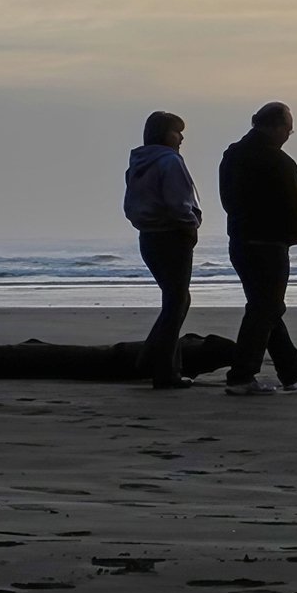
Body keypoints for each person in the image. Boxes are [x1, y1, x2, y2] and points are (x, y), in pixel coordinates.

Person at [219, 101, 297, 395]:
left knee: (265, 307)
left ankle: (291, 369)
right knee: (266, 308)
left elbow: (227, 200)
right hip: (269, 244)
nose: (289, 134)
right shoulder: (280, 162)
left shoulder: (232, 155)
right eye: (288, 128)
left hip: (240, 240)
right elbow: (295, 204)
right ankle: (242, 375)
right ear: (275, 126)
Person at [122, 110, 202, 389]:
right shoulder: (169, 161)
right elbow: (178, 202)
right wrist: (191, 225)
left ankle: (156, 361)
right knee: (176, 302)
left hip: (149, 235)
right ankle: (162, 369)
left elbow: (132, 204)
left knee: (176, 300)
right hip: (171, 235)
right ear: (163, 134)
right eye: (176, 132)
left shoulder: (137, 163)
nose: (180, 138)